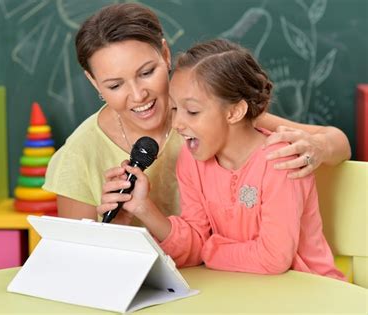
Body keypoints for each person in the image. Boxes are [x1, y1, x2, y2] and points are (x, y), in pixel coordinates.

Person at [43, 3, 351, 225]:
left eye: (147, 72)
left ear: (165, 54)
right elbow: (82, 262)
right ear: (93, 81)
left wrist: (318, 148)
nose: (138, 95)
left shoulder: (211, 113)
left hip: (228, 277)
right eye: (114, 84)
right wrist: (117, 223)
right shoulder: (80, 155)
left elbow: (338, 143)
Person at [98, 38, 345, 280]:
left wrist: (210, 251)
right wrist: (144, 208)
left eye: (192, 111)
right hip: (243, 289)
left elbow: (273, 258)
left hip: (309, 289)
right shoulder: (192, 159)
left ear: (235, 111)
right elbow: (194, 245)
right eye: (174, 109)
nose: (178, 124)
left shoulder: (281, 160)